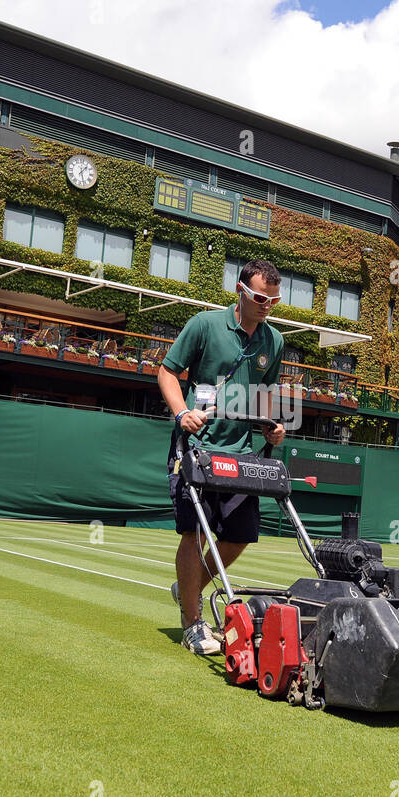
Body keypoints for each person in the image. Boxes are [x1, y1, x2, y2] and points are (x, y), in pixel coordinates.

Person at [157, 259, 287, 654]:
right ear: (241, 291)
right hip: (196, 447)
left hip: (241, 453)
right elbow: (167, 372)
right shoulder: (204, 324)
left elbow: (265, 393)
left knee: (239, 536)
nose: (266, 305)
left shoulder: (274, 342)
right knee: (194, 533)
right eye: (260, 297)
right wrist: (182, 413)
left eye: (273, 300)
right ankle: (193, 623)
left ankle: (189, 588)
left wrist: (273, 427)